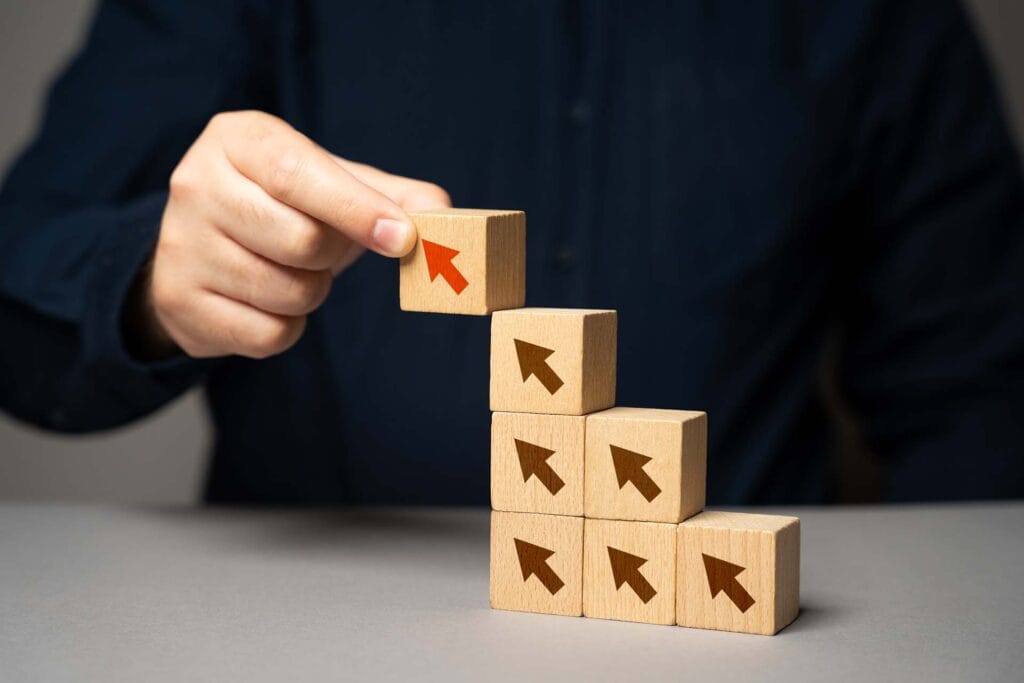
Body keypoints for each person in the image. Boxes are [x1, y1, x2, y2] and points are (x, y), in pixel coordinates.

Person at [1, 0, 1021, 505]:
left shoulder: (879, 17)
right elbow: (21, 310)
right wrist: (149, 280)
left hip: (713, 605)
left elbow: (979, 390)